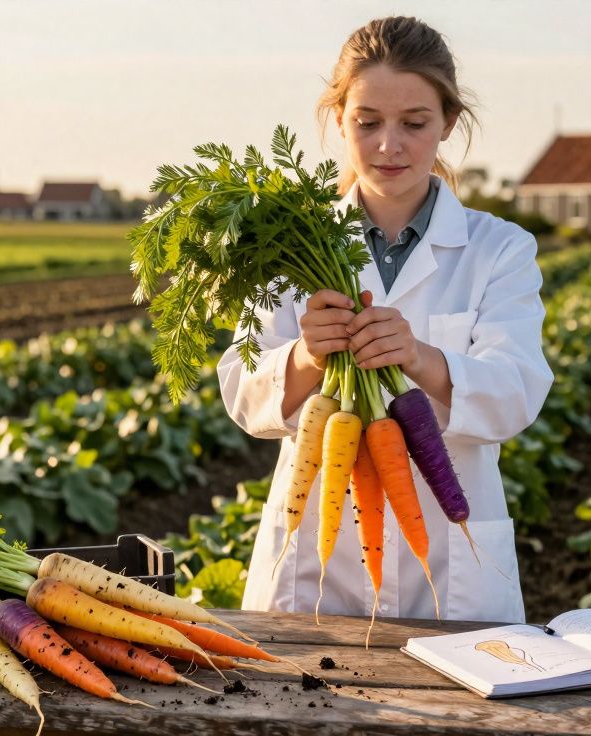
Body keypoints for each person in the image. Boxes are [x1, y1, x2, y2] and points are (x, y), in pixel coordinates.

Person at [217, 16, 553, 623]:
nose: (388, 145)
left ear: (448, 122)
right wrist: (304, 356)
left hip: (456, 566)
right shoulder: (288, 243)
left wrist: (421, 358)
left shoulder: (500, 249)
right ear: (338, 119)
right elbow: (243, 393)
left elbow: (517, 392)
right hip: (314, 567)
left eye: (414, 124)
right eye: (367, 123)